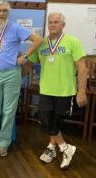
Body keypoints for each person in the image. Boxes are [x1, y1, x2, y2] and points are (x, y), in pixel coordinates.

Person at [24, 12, 87, 169]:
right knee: (44, 120)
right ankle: (66, 148)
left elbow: (82, 67)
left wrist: (81, 91)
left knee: (55, 122)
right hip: (46, 90)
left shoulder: (73, 41)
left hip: (65, 91)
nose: (52, 24)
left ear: (63, 25)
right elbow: (29, 64)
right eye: (50, 22)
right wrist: (16, 79)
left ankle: (51, 148)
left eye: (56, 22)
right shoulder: (41, 43)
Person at [0, 0, 42, 157]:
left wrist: (25, 57)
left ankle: (3, 144)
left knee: (8, 111)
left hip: (12, 73)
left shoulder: (16, 28)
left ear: (8, 13)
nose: (1, 13)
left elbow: (38, 39)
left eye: (4, 11)